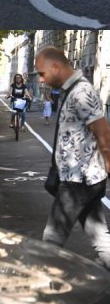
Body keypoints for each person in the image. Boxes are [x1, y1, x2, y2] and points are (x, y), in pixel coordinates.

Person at [35, 46, 110, 270]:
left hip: (80, 179)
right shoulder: (72, 90)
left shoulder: (81, 92)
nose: (41, 80)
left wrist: (107, 165)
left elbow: (103, 132)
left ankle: (42, 286)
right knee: (99, 236)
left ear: (56, 67)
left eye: (42, 73)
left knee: (53, 236)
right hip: (84, 178)